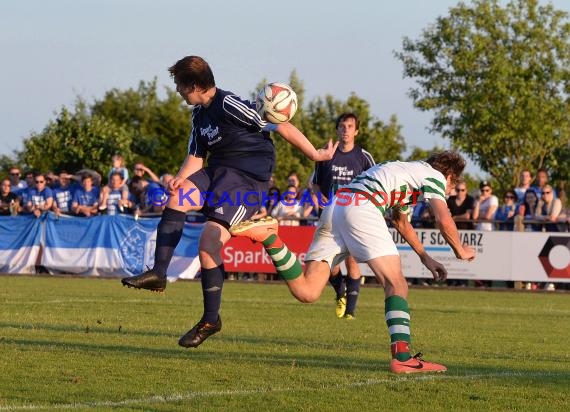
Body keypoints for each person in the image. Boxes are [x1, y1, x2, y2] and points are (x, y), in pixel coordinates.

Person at [121, 55, 337, 348]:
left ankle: (211, 320)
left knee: (208, 242)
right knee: (177, 195)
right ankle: (159, 274)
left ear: (195, 85)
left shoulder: (229, 104)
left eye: (179, 85)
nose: (177, 91)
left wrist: (315, 154)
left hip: (247, 181)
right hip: (216, 174)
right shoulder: (198, 115)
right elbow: (196, 158)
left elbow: (281, 124)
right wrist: (180, 179)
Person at [230, 151, 475, 373]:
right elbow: (444, 219)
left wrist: (425, 257)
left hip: (337, 204)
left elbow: (401, 222)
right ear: (450, 175)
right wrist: (460, 250)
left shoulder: (405, 172)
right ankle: (402, 358)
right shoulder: (434, 176)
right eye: (453, 185)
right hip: (363, 206)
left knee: (307, 291)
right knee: (397, 284)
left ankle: (271, 238)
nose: (450, 191)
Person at [312, 112, 375, 319]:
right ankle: (340, 290)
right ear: (337, 130)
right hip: (329, 217)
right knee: (330, 264)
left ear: (356, 131)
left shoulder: (364, 157)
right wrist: (317, 195)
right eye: (342, 126)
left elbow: (375, 186)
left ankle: (350, 312)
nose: (345, 130)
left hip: (354, 218)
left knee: (353, 262)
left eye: (350, 126)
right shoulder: (327, 154)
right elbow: (315, 183)